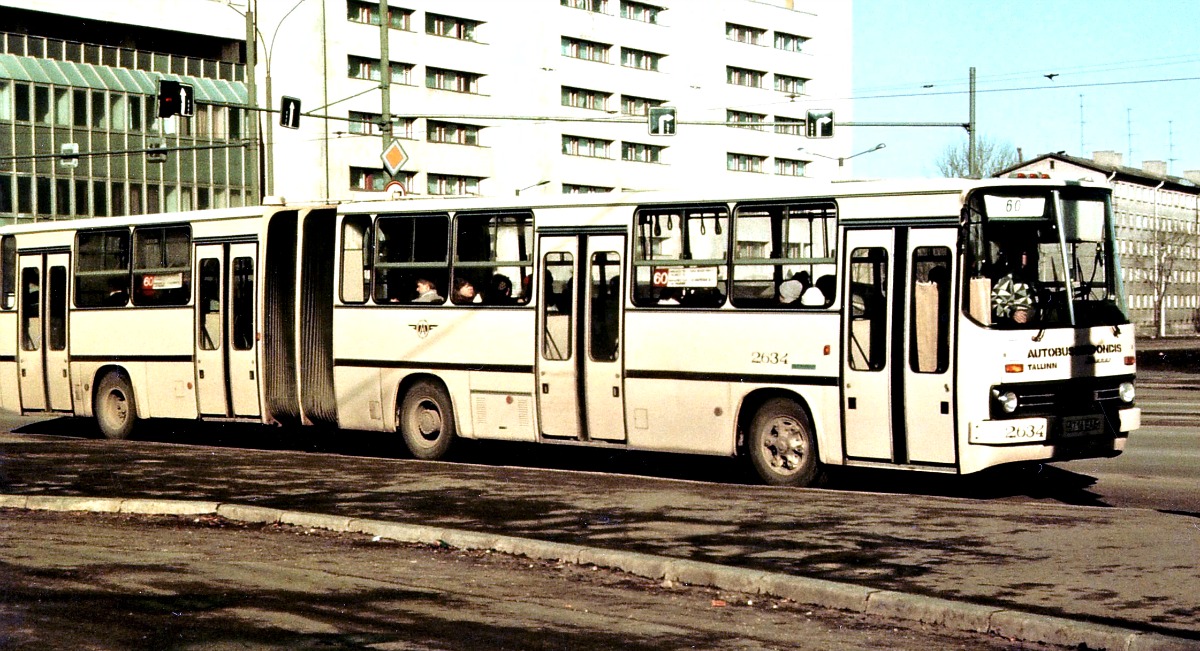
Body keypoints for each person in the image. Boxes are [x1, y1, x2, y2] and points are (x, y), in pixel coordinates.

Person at [991, 245, 1036, 323]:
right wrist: (1013, 313)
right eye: (1024, 254)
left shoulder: (1029, 280)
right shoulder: (1007, 279)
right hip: (1015, 328)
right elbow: (996, 304)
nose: (1026, 257)